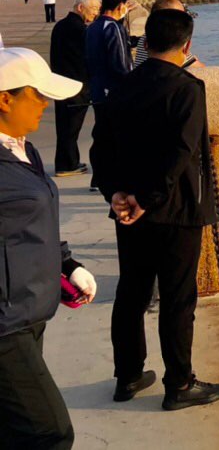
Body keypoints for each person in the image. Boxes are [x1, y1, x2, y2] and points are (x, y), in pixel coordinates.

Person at [89, 10, 219, 411]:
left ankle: (128, 374)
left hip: (128, 207)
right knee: (177, 298)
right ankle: (179, 383)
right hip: (176, 209)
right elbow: (182, 152)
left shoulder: (122, 87)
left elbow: (100, 147)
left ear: (145, 43)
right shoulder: (188, 88)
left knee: (132, 292)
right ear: (187, 45)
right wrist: (147, 198)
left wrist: (117, 193)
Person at [0, 48, 98, 449]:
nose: (45, 103)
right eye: (37, 95)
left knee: (16, 433)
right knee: (51, 432)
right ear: (5, 99)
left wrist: (67, 265)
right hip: (5, 325)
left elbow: (30, 224)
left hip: (29, 312)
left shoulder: (23, 149)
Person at [49, 0, 101, 177]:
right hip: (75, 85)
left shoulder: (61, 25)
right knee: (70, 128)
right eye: (93, 8)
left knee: (65, 127)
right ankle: (67, 165)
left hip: (61, 82)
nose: (95, 13)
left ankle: (67, 162)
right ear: (80, 7)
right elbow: (87, 57)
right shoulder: (78, 29)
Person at [84, 0, 133, 122]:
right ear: (121, 6)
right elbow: (121, 63)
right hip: (113, 91)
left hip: (97, 88)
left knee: (101, 127)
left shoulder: (92, 27)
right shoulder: (114, 27)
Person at [133, 0, 200, 68]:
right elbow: (199, 67)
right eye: (180, 16)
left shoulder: (147, 36)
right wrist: (192, 60)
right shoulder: (170, 39)